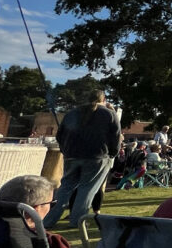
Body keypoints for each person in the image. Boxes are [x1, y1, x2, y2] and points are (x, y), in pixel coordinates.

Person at [44, 89, 121, 229]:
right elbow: (115, 137)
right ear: (103, 100)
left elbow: (60, 135)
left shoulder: (72, 113)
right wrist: (112, 154)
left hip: (71, 156)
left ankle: (48, 220)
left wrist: (65, 150)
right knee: (86, 189)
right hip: (97, 157)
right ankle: (77, 221)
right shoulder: (109, 114)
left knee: (64, 188)